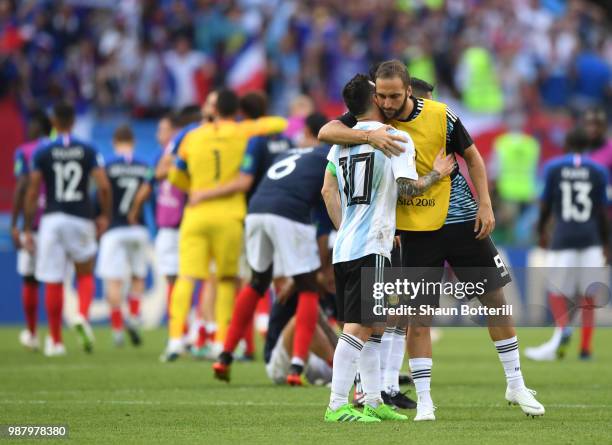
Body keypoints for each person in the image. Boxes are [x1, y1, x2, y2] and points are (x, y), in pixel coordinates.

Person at [318, 60, 545, 419]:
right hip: (414, 231)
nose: (388, 103)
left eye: (394, 96)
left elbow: (472, 157)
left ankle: (516, 383)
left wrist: (484, 204)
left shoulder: (441, 115)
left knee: (495, 300)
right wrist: (368, 134)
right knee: (416, 316)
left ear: (409, 90)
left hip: (461, 221)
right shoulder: (377, 121)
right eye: (382, 96)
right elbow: (326, 130)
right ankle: (423, 401)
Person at [321, 73, 454, 422]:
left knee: (375, 323)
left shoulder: (341, 143)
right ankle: (337, 405)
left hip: (345, 243)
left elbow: (327, 191)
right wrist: (437, 174)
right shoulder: (397, 138)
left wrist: (346, 226)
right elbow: (408, 191)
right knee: (359, 326)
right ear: (376, 100)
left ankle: (374, 400)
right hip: (372, 245)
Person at [161, 89, 287, 361]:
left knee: (186, 277)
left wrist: (193, 188)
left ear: (213, 109)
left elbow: (174, 175)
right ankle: (220, 341)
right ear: (236, 110)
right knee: (227, 280)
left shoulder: (192, 136)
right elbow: (280, 123)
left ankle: (174, 340)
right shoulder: (244, 132)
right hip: (231, 214)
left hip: (196, 213)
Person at [212, 112, 331, 384]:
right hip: (287, 213)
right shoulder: (329, 157)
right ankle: (296, 366)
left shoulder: (287, 154)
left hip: (255, 209)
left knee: (257, 282)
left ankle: (225, 356)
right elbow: (323, 218)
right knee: (308, 287)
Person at [23, 102, 111, 356]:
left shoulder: (42, 151)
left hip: (51, 219)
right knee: (84, 272)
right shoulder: (87, 149)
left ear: (54, 122)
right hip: (80, 217)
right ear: (73, 123)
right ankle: (82, 315)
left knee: (54, 279)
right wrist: (104, 215)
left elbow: (32, 190)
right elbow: (103, 185)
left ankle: (55, 341)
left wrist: (29, 227)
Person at [525, 129, 608, 362]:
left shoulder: (553, 167)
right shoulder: (598, 170)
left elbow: (546, 204)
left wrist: (542, 230)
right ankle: (585, 348)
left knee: (556, 290)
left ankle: (563, 330)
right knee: (589, 294)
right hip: (591, 238)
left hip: (563, 238)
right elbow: (603, 212)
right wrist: (606, 244)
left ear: (567, 143)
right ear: (589, 146)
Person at [95, 125, 154, 347]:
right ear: (134, 142)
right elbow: (150, 195)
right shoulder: (144, 165)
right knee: (138, 275)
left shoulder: (107, 166)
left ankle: (118, 329)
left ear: (114, 141)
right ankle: (135, 317)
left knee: (114, 281)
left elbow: (100, 192)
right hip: (137, 228)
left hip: (114, 229)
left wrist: (100, 217)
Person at [11, 110, 51, 350]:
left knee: (30, 279)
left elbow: (23, 187)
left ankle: (32, 332)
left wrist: (17, 225)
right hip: (58, 219)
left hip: (33, 223)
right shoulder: (57, 149)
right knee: (55, 281)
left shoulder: (25, 151)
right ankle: (56, 336)